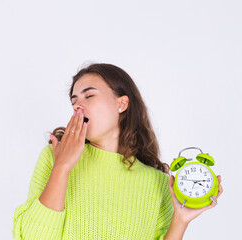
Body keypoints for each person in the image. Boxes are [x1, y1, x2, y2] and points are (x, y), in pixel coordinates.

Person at [12, 63, 223, 240]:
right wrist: (62, 167)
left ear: (121, 103)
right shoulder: (54, 157)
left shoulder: (158, 183)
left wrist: (180, 220)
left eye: (89, 96)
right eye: (74, 100)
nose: (78, 106)